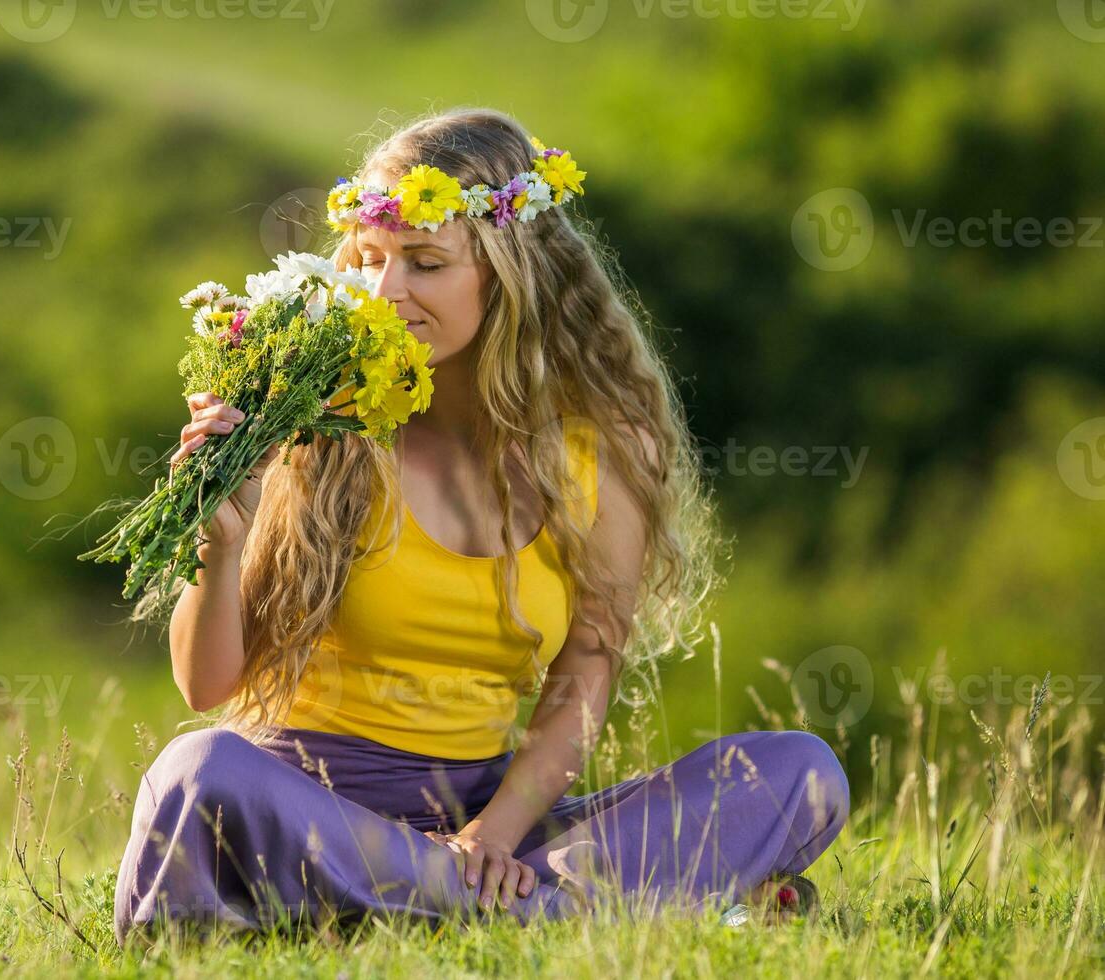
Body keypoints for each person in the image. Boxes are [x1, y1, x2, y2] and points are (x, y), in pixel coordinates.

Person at [114, 108, 848, 939]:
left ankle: (446, 901)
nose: (387, 291)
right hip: (307, 810)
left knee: (800, 773)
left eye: (426, 263)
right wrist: (222, 544)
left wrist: (487, 836)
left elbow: (584, 680)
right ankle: (544, 909)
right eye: (371, 259)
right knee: (197, 775)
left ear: (512, 274)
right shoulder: (322, 416)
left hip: (490, 815)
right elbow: (206, 688)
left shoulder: (601, 450)